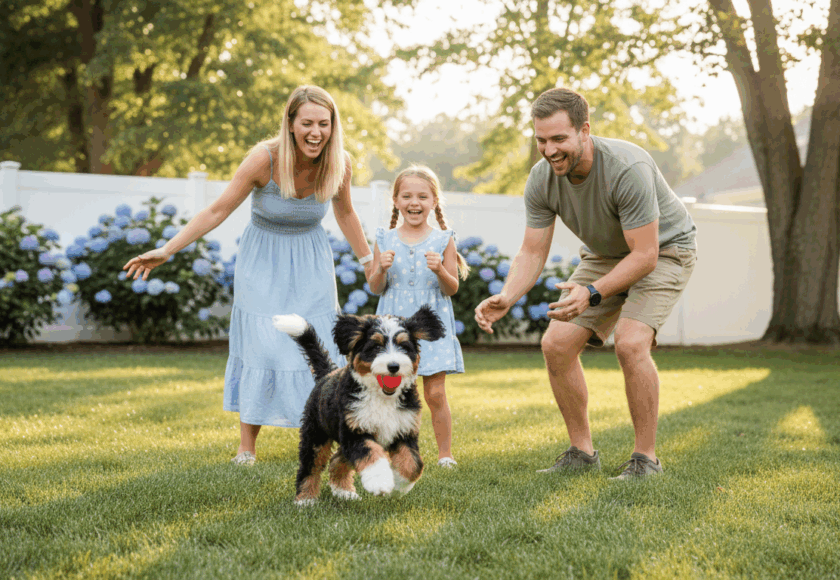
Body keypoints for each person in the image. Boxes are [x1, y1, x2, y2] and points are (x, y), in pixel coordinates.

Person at [123, 85, 374, 465]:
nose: (316, 132)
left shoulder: (340, 162)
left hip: (311, 260)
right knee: (263, 344)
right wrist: (169, 248)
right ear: (290, 123)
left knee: (319, 345)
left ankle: (330, 435)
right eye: (307, 123)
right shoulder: (264, 159)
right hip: (262, 261)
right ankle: (247, 447)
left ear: (332, 126)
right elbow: (218, 209)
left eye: (324, 124)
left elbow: (346, 213)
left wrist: (368, 260)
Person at [474, 87, 697, 479]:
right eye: (541, 140)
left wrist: (593, 292)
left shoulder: (626, 167)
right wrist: (508, 295)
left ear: (584, 131)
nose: (549, 150)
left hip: (665, 250)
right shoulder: (542, 179)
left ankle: (646, 459)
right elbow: (532, 251)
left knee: (631, 342)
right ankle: (581, 453)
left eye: (559, 139)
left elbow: (645, 255)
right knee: (556, 344)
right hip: (605, 254)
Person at [368, 166, 469, 468]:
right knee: (390, 393)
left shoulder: (443, 240)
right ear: (396, 201)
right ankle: (387, 452)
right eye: (407, 196)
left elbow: (451, 288)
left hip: (430, 328)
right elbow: (375, 287)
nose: (415, 202)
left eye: (423, 196)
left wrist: (440, 270)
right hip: (393, 330)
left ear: (434, 201)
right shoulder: (384, 238)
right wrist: (380, 268)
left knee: (435, 393)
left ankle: (445, 454)